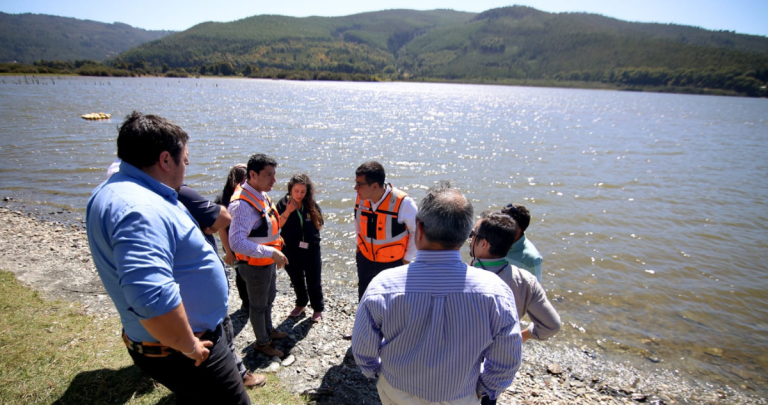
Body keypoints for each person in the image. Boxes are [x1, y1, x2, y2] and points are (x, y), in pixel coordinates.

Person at [86, 112, 250, 404]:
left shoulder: (113, 190)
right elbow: (151, 298)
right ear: (165, 160)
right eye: (184, 160)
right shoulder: (140, 209)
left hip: (166, 344)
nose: (186, 168)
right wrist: (190, 346)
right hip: (187, 349)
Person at [352, 183, 522, 405]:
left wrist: (377, 374)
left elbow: (363, 349)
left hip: (396, 391)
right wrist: (483, 389)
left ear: (419, 230)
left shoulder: (383, 286)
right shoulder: (496, 292)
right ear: (464, 237)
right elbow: (507, 360)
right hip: (460, 396)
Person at [177, 184, 266, 389]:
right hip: (201, 299)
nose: (188, 163)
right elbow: (223, 218)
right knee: (221, 333)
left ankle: (229, 373)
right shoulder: (179, 192)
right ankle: (238, 376)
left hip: (198, 295)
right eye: (184, 160)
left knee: (222, 330)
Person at [469, 212, 561, 405]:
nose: (469, 239)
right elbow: (551, 325)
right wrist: (524, 335)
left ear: (484, 243)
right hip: (496, 369)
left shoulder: (465, 277)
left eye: (473, 235)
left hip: (462, 365)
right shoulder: (526, 280)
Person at [228, 153, 289, 358]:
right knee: (258, 305)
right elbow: (236, 242)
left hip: (267, 261)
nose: (274, 180)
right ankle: (262, 343)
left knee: (269, 299)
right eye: (269, 175)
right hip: (255, 265)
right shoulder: (242, 205)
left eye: (274, 174)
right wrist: (270, 251)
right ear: (252, 174)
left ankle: (268, 330)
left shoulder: (260, 193)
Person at [353, 161, 417, 300]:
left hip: (394, 263)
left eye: (359, 184)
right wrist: (359, 245)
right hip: (365, 258)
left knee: (392, 302)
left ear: (375, 186)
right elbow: (357, 220)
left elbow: (416, 231)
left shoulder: (404, 203)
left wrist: (407, 259)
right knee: (365, 297)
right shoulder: (361, 197)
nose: (355, 188)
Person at [275, 174, 325, 323]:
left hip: (311, 249)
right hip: (290, 249)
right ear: (290, 189)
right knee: (296, 279)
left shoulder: (311, 204)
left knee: (314, 279)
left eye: (303, 191)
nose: (299, 194)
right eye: (296, 191)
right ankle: (301, 303)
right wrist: (288, 211)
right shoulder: (283, 204)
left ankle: (317, 308)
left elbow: (320, 224)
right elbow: (276, 226)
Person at [214, 163, 250, 313]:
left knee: (250, 271)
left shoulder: (248, 195)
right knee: (241, 273)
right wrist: (228, 252)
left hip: (248, 241)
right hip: (232, 243)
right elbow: (222, 229)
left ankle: (253, 302)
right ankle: (246, 303)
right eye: (244, 180)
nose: (245, 184)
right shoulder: (224, 199)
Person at [502, 203, 543, 282]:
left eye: (504, 224)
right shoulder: (492, 241)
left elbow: (534, 291)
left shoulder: (532, 258)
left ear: (519, 229)